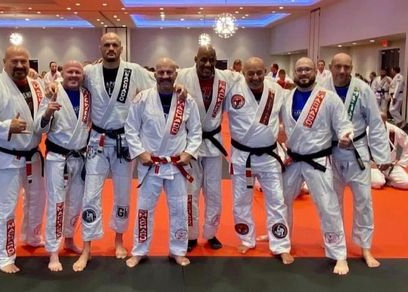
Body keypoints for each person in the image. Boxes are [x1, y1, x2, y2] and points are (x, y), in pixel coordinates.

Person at [73, 32, 156, 272]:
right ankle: (87, 246)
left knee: (122, 194)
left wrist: (179, 87)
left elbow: (158, 83)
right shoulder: (89, 72)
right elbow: (69, 83)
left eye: (115, 45)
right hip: (97, 140)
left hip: (124, 141)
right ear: (100, 47)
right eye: (106, 45)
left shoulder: (134, 70)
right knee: (90, 194)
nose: (110, 48)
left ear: (121, 48)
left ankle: (119, 239)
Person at [0, 45, 47, 273]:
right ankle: (5, 256)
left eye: (23, 62)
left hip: (32, 155)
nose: (19, 66)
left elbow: (42, 115)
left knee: (37, 200)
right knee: (5, 207)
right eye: (14, 61)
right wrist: (8, 126)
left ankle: (32, 236)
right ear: (4, 62)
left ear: (29, 63)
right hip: (6, 156)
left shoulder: (37, 85)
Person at [124, 57, 202, 268]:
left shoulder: (187, 100)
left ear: (176, 74)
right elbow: (130, 128)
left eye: (169, 72)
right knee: (144, 209)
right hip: (150, 164)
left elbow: (195, 131)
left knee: (179, 209)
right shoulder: (142, 99)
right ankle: (139, 250)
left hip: (177, 164)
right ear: (155, 74)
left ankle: (177, 250)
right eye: (161, 72)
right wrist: (140, 152)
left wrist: (189, 152)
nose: (165, 76)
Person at [282, 57, 353, 275]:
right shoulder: (286, 97)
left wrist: (345, 136)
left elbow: (344, 124)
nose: (303, 73)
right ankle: (282, 243)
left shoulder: (329, 98)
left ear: (316, 72)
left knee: (328, 206)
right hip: (293, 160)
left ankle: (338, 254)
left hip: (318, 161)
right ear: (294, 72)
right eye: (299, 70)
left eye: (307, 69)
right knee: (281, 202)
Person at [319, 53, 390, 268]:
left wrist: (382, 156)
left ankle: (365, 248)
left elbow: (375, 123)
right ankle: (338, 250)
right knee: (332, 204)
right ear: (330, 67)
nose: (342, 71)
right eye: (338, 66)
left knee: (364, 202)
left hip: (357, 151)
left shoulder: (363, 89)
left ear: (352, 67)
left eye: (346, 67)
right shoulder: (321, 88)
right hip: (330, 151)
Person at [225, 57, 293, 264]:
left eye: (258, 73)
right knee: (240, 200)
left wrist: (292, 148)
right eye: (250, 73)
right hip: (241, 156)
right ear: (242, 73)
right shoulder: (232, 91)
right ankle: (246, 238)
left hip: (268, 156)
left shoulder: (277, 91)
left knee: (276, 200)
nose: (255, 77)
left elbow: (288, 121)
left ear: (265, 72)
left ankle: (280, 244)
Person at [175, 45, 239, 251]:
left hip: (213, 142)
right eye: (203, 59)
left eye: (211, 60)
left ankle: (211, 233)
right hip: (189, 144)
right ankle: (191, 235)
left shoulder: (226, 78)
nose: (207, 64)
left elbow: (250, 78)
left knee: (214, 192)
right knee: (190, 192)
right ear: (195, 59)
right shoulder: (182, 76)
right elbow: (159, 83)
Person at [41, 60, 90, 272]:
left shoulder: (87, 95)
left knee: (76, 202)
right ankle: (53, 251)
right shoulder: (52, 92)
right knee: (57, 204)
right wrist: (47, 113)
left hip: (80, 156)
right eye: (70, 71)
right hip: (57, 159)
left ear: (82, 75)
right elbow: (39, 127)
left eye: (77, 72)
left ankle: (69, 238)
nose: (74, 75)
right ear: (62, 72)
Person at [371, 112, 408, 189]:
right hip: (374, 166)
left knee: (406, 183)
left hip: (390, 166)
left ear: (385, 121)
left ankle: (390, 182)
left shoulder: (394, 130)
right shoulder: (367, 131)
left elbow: (407, 144)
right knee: (378, 183)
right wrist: (368, 163)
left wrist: (402, 163)